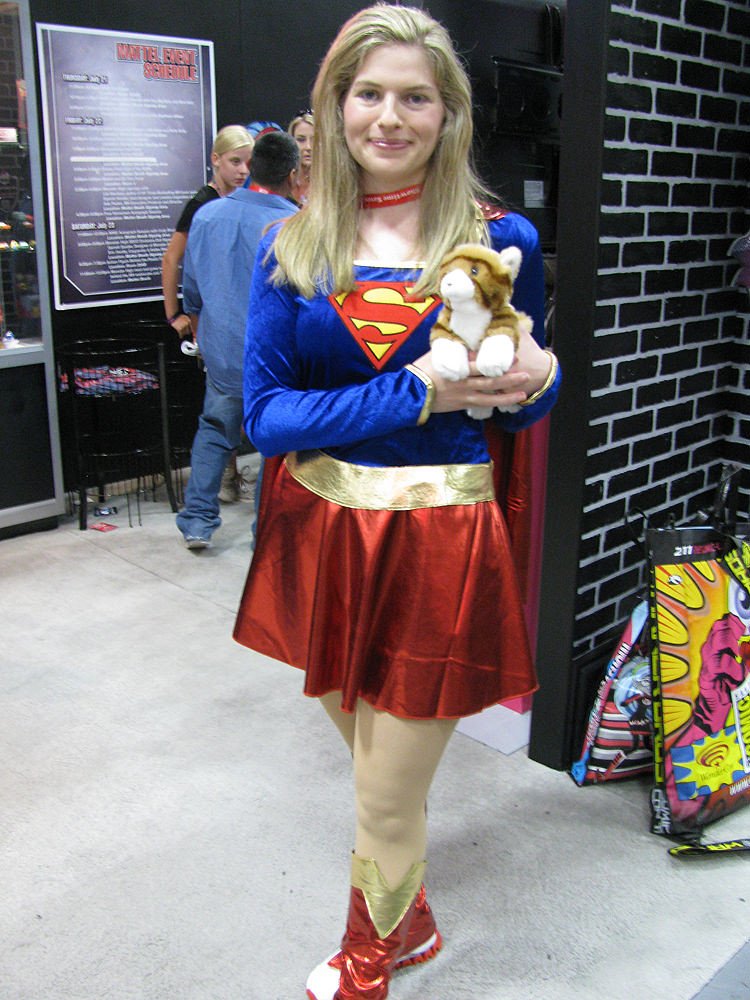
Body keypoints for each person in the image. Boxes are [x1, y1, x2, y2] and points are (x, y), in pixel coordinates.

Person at [233, 4, 561, 998]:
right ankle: (409, 924)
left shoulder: (499, 239)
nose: (389, 116)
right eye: (368, 93)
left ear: (448, 112)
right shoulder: (293, 247)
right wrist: (415, 390)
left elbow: (516, 396)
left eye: (414, 96)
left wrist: (542, 374)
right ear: (335, 107)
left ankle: (369, 961)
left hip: (437, 543)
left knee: (383, 793)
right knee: (374, 763)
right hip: (326, 533)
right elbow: (267, 416)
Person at [175, 131, 299, 550]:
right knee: (274, 442)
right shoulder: (293, 225)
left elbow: (192, 289)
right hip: (274, 357)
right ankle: (263, 530)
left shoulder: (207, 216)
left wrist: (202, 333)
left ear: (252, 166)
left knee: (214, 431)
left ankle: (197, 521)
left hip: (222, 350)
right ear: (293, 174)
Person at [160, 124, 254, 341]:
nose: (243, 170)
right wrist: (173, 315)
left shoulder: (239, 200)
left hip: (236, 312)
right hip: (210, 315)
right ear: (216, 159)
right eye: (235, 161)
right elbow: (170, 258)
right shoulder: (202, 203)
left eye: (248, 163)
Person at [287, 109, 314, 205]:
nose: (308, 147)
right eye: (301, 140)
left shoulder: (332, 182)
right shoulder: (281, 180)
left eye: (314, 140)